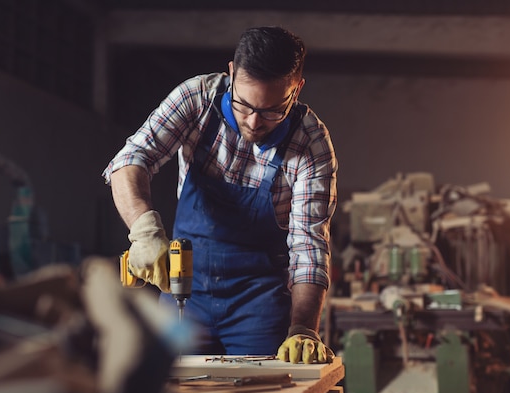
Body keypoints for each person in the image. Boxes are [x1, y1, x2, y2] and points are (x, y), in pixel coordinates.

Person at [102, 26, 338, 364]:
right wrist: (144, 231)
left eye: (272, 110)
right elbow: (131, 160)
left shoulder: (311, 145)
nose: (255, 122)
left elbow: (309, 246)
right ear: (231, 73)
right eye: (243, 105)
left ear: (296, 89)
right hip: (186, 291)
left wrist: (303, 327)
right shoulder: (197, 98)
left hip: (259, 303)